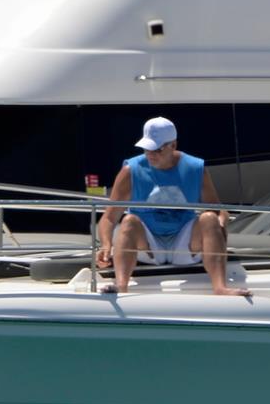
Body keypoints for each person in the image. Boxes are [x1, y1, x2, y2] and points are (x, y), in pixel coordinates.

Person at [95, 117, 247, 297]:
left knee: (209, 218)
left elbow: (218, 210)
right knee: (128, 220)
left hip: (185, 243)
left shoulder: (195, 167)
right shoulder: (130, 170)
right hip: (148, 245)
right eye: (146, 148)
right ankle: (121, 286)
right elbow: (109, 217)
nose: (150, 154)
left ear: (173, 145)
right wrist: (105, 245)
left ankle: (220, 288)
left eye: (157, 149)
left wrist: (221, 222)